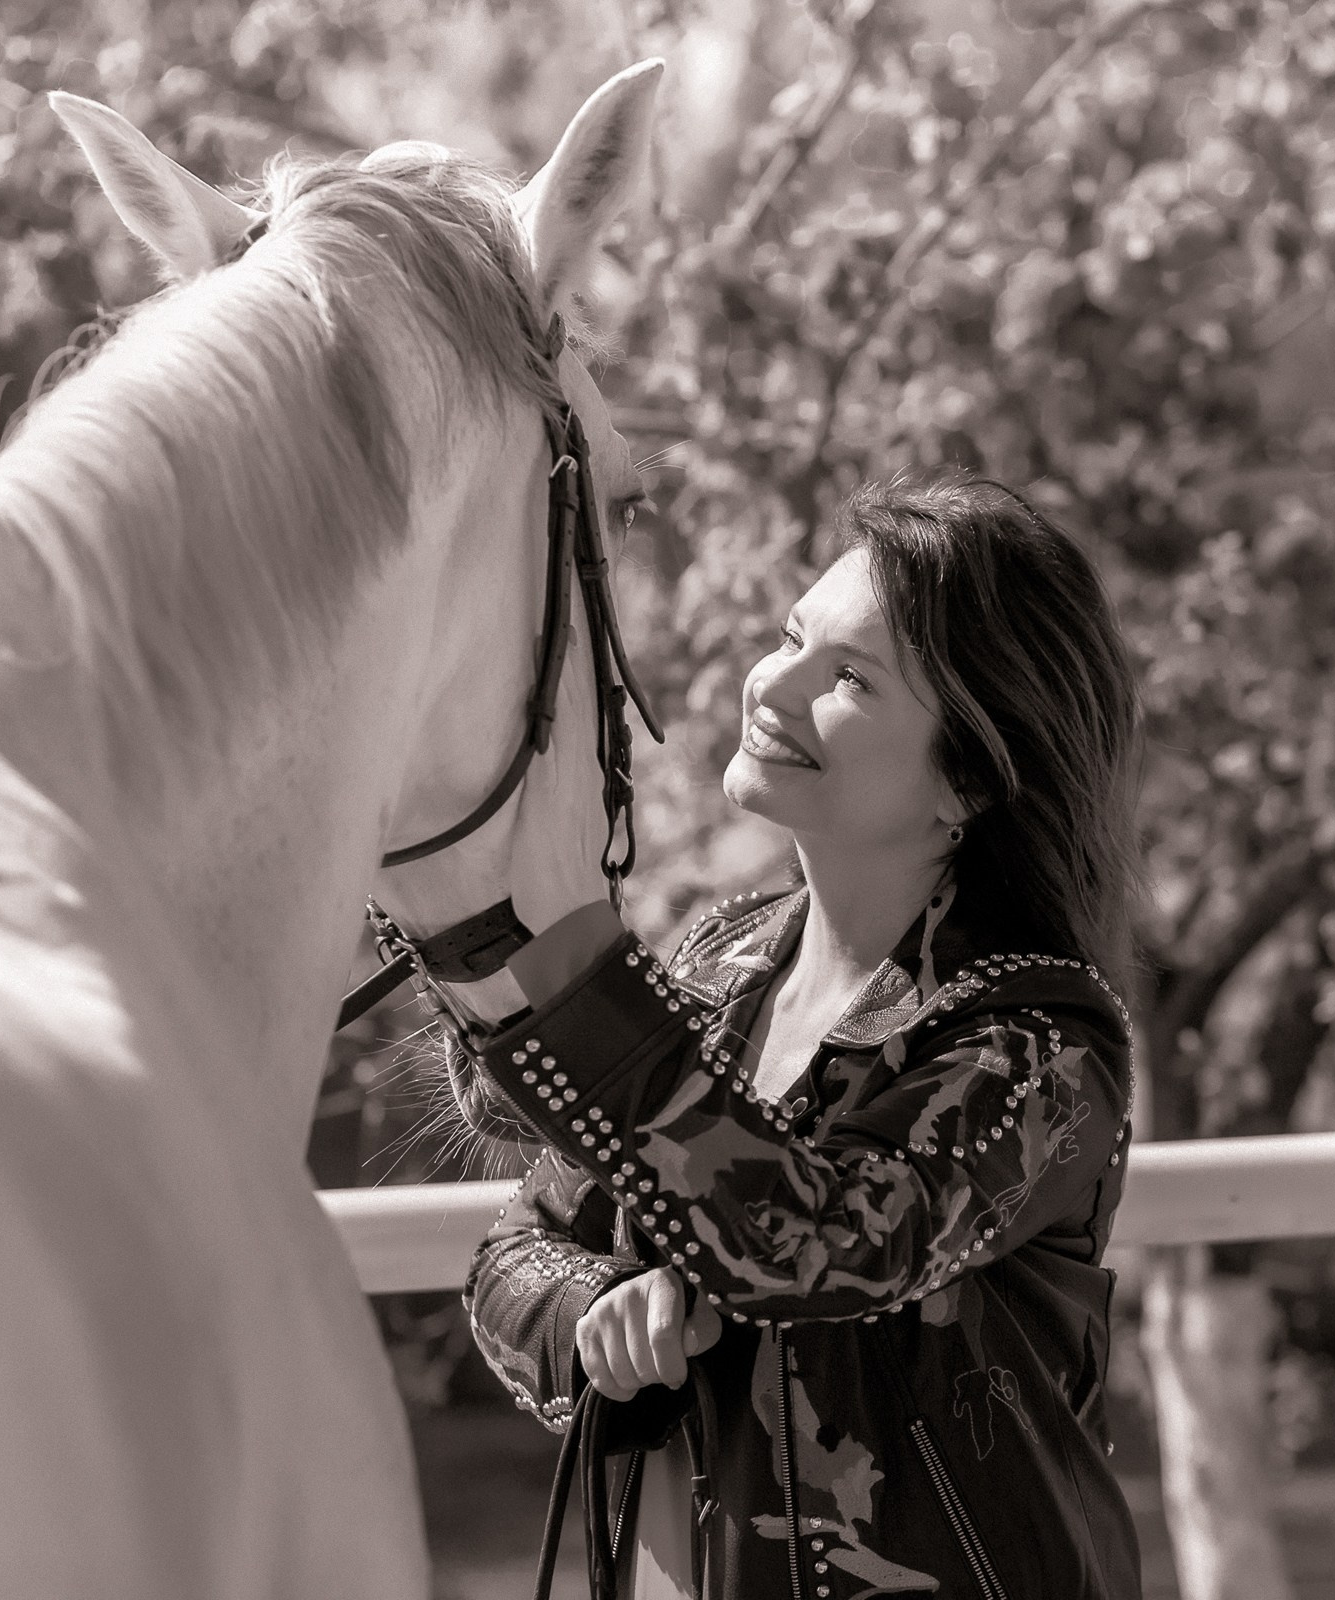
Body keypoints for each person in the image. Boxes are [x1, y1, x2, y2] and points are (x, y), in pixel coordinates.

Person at [466, 473, 1144, 1599]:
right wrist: (597, 1311)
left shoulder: (1038, 1044)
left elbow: (821, 1242)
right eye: (791, 637)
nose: (771, 684)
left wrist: (582, 983)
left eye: (851, 679)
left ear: (965, 781)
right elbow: (510, 1258)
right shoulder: (717, 965)